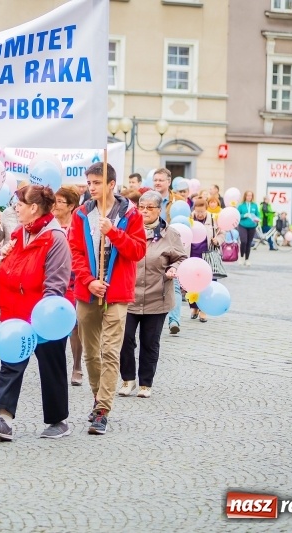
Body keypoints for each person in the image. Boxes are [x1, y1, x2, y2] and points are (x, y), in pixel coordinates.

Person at [0, 185, 73, 441]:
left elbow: (56, 283)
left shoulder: (55, 238)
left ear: (34, 208)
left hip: (45, 318)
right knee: (11, 363)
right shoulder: (21, 233)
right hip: (16, 313)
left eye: (20, 204)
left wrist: (42, 318)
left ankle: (58, 420)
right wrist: (5, 256)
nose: (16, 208)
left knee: (51, 366)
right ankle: (4, 420)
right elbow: (12, 269)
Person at [70, 163, 147, 435]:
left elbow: (138, 251)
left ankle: (102, 410)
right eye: (89, 182)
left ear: (111, 184)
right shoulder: (80, 214)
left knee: (110, 351)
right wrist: (90, 281)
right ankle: (97, 395)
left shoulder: (131, 214)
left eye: (97, 182)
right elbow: (75, 252)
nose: (91, 187)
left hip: (117, 293)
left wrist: (113, 232)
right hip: (88, 292)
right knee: (91, 354)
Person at [119, 191, 186, 398]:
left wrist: (174, 268)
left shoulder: (170, 234)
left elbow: (182, 258)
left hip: (158, 296)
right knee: (125, 339)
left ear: (159, 210)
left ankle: (146, 384)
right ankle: (128, 379)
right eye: (142, 207)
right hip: (129, 296)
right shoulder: (128, 230)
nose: (145, 211)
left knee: (150, 341)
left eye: (150, 207)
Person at [54, 185, 83, 386]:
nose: (54, 205)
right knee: (55, 324)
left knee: (74, 325)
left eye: (59, 202)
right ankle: (57, 367)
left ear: (71, 205)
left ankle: (77, 366)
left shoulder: (78, 225)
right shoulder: (50, 224)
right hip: (54, 279)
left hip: (74, 278)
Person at [152, 168, 182, 334]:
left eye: (161, 180)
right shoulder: (148, 199)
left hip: (170, 244)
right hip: (151, 244)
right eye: (155, 180)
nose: (157, 182)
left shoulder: (178, 201)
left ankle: (174, 320)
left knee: (174, 283)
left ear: (168, 182)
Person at [188, 197, 223, 322]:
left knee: (207, 282)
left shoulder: (213, 219)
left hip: (207, 255)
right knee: (192, 282)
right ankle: (194, 307)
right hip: (193, 255)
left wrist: (217, 240)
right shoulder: (190, 219)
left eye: (202, 212)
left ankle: (204, 309)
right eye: (198, 212)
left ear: (206, 209)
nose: (200, 214)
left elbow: (221, 233)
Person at [237, 191, 259, 266]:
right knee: (244, 241)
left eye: (250, 195)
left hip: (252, 226)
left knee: (249, 243)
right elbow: (237, 215)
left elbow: (258, 215)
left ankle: (247, 259)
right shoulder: (241, 206)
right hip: (243, 225)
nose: (249, 197)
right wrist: (244, 215)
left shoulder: (254, 205)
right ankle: (241, 256)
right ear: (245, 196)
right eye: (248, 195)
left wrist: (257, 219)